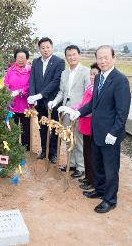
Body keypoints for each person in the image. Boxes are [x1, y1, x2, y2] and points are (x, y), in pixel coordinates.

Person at [70, 45, 131, 213]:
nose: (102, 61)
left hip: (110, 133)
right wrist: (78, 112)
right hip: (96, 130)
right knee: (97, 164)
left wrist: (114, 132)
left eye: (106, 57)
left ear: (114, 58)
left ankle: (110, 200)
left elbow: (122, 111)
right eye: (99, 58)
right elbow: (93, 104)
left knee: (110, 168)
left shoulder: (120, 80)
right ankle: (100, 190)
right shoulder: (98, 78)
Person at [48, 45, 90, 178]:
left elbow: (87, 94)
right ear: (65, 57)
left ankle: (81, 166)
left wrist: (77, 109)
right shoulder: (64, 73)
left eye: (74, 54)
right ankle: (71, 163)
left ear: (79, 55)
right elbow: (61, 91)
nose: (71, 57)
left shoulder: (86, 72)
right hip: (66, 111)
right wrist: (55, 101)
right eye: (69, 55)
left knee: (78, 140)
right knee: (67, 137)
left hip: (78, 111)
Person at [27, 37, 65, 163]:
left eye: (48, 47)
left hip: (53, 101)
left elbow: (56, 81)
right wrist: (33, 97)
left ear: (52, 47)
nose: (45, 50)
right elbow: (32, 80)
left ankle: (53, 153)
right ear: (39, 49)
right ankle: (44, 150)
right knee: (42, 126)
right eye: (42, 48)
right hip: (39, 102)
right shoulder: (36, 62)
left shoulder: (59, 62)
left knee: (54, 127)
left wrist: (41, 95)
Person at [67, 63, 101, 190]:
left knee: (91, 153)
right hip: (84, 124)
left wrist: (79, 112)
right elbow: (83, 104)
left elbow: (92, 109)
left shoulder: (97, 90)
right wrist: (72, 109)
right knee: (87, 152)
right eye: (91, 74)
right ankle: (88, 177)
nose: (92, 76)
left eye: (95, 74)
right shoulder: (90, 88)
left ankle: (92, 180)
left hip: (91, 124)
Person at [4, 48, 31, 150]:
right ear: (15, 58)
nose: (20, 59)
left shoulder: (30, 71)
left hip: (25, 104)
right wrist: (7, 90)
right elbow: (6, 82)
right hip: (12, 104)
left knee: (25, 127)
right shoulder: (10, 70)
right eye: (18, 57)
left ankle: (25, 147)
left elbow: (30, 85)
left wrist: (20, 91)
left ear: (27, 58)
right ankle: (13, 146)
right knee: (13, 125)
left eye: (23, 57)